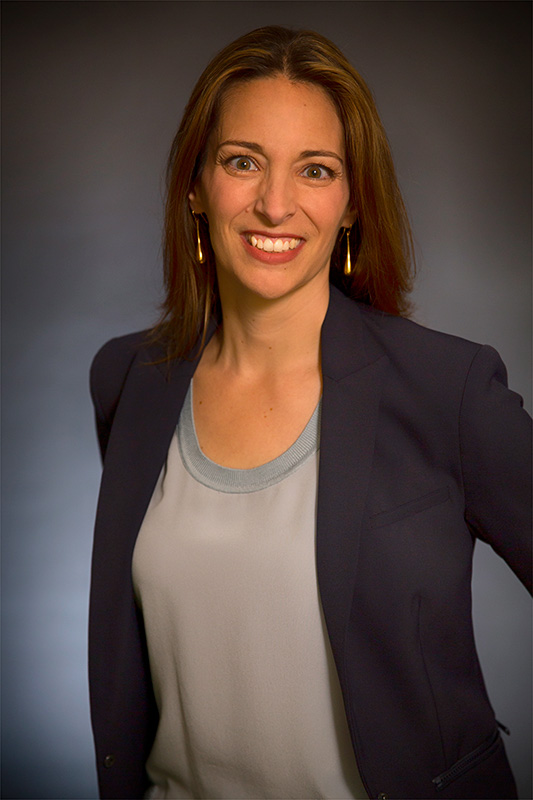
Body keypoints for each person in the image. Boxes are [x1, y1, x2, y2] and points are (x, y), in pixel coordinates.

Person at [88, 25, 531, 800]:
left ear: (352, 203)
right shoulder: (131, 380)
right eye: (242, 161)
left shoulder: (447, 389)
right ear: (195, 185)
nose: (275, 203)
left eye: (315, 170)